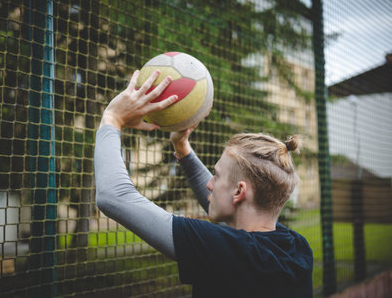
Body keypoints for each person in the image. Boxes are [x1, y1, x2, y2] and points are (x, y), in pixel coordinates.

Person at [94, 69, 313, 297]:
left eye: (216, 176)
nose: (210, 185)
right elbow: (224, 205)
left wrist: (112, 119)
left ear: (239, 191)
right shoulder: (296, 248)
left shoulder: (224, 249)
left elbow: (113, 196)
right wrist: (182, 148)